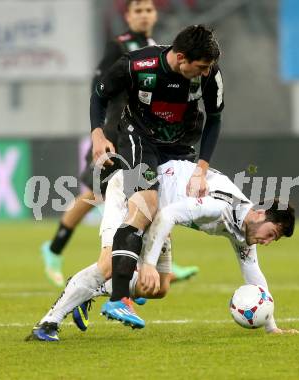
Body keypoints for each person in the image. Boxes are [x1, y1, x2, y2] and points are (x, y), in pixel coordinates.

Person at [26, 160, 298, 342]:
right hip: (134, 190)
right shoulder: (221, 206)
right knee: (108, 264)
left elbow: (253, 273)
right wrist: (147, 264)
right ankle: (48, 324)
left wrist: (271, 325)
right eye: (271, 234)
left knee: (158, 289)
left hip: (159, 212)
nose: (267, 241)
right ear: (260, 213)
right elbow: (168, 214)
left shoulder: (244, 229)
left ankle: (92, 288)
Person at [40, 0, 198, 286]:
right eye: (138, 11)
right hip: (115, 130)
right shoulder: (119, 45)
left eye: (148, 10)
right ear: (128, 16)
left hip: (137, 131)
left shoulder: (155, 46)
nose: (144, 15)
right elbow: (99, 85)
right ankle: (57, 250)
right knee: (100, 195)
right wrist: (99, 129)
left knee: (134, 192)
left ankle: (153, 260)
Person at [90, 24, 224, 328]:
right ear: (180, 57)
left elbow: (214, 119)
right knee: (145, 206)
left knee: (161, 285)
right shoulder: (136, 65)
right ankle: (118, 299)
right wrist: (98, 134)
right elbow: (99, 95)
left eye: (209, 68)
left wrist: (201, 168)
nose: (205, 74)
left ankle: (97, 287)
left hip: (180, 148)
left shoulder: (210, 75)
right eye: (200, 67)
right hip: (140, 139)